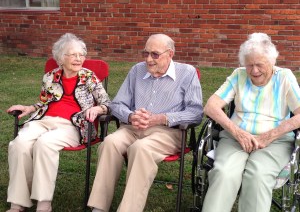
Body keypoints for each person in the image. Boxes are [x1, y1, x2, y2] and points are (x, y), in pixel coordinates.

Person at [88, 33, 203, 212]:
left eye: (155, 54)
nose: (148, 59)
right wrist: (131, 116)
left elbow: (195, 113)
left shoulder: (187, 73)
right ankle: (99, 207)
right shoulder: (137, 70)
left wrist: (161, 118)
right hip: (132, 127)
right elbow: (117, 104)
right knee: (110, 142)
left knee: (141, 149)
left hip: (167, 132)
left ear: (170, 54)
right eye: (146, 53)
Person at [6, 33, 110, 212]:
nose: (79, 59)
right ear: (61, 58)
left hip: (73, 125)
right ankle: (18, 203)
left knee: (45, 144)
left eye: (81, 55)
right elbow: (44, 102)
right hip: (44, 120)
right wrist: (29, 108)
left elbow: (107, 103)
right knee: (19, 144)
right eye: (73, 55)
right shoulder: (50, 76)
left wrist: (98, 109)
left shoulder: (89, 77)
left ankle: (43, 204)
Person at [202, 32, 300, 212]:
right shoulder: (238, 75)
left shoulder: (284, 77)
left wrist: (270, 135)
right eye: (249, 65)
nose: (254, 71)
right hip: (235, 138)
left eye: (259, 65)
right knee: (224, 173)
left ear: (272, 62)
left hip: (275, 141)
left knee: (258, 175)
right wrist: (237, 133)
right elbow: (211, 106)